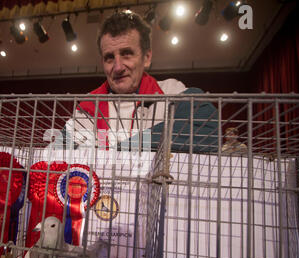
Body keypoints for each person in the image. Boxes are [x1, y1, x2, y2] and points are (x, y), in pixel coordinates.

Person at [63, 10, 218, 154]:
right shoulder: (88, 105)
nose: (117, 68)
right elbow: (58, 150)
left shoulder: (171, 90)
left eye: (127, 54)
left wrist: (117, 153)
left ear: (147, 58)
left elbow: (207, 130)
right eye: (109, 57)